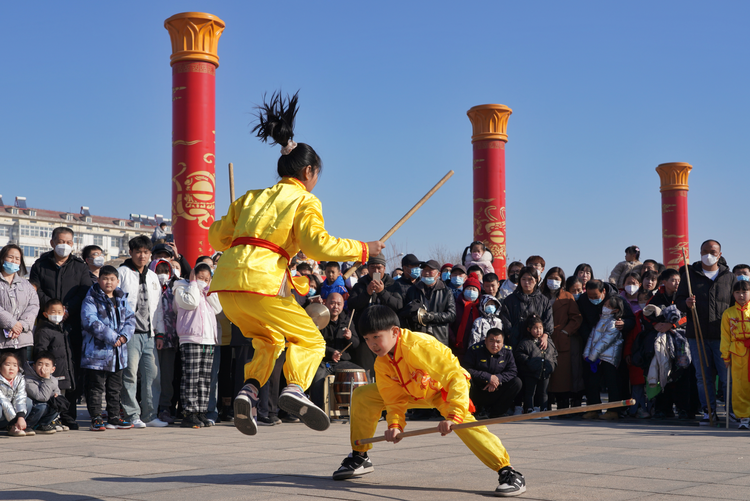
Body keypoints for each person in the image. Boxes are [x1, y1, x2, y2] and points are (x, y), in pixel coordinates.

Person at [208, 91, 384, 436]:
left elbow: (216, 237)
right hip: (261, 284)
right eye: (317, 174)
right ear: (308, 171)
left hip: (228, 287)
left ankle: (250, 389)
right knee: (311, 341)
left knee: (270, 340)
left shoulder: (250, 198)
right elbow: (317, 245)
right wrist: (364, 248)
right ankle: (295, 388)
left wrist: (238, 233)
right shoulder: (305, 200)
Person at [332, 306, 527, 497]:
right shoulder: (381, 362)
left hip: (444, 390)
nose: (372, 344)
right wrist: (395, 425)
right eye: (367, 339)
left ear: (394, 331)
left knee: (463, 423)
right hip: (413, 392)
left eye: (376, 337)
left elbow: (454, 377)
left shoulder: (417, 346)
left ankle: (508, 472)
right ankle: (360, 456)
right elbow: (393, 398)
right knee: (363, 395)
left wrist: (454, 416)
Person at [29, 227, 92, 430]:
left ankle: (68, 414)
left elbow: (84, 290)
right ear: (52, 242)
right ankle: (48, 415)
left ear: (73, 244)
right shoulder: (40, 265)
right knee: (45, 367)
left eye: (69, 242)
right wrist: (52, 308)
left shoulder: (80, 266)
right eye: (60, 241)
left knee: (72, 370)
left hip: (71, 324)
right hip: (47, 323)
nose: (64, 245)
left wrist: (67, 310)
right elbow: (35, 290)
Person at [676, 239, 736, 425]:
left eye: (712, 251)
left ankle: (732, 412)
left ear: (719, 254)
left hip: (723, 336)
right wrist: (685, 304)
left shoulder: (729, 277)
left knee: (727, 378)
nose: (707, 255)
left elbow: (735, 305)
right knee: (703, 377)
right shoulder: (689, 275)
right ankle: (708, 411)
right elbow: (678, 301)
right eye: (704, 251)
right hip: (697, 334)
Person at [118, 236, 168, 429]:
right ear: (131, 252)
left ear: (150, 255)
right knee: (129, 374)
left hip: (150, 334)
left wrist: (160, 332)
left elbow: (159, 309)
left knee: (153, 375)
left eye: (146, 252)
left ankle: (150, 414)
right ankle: (132, 414)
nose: (142, 255)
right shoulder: (121, 272)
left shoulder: (153, 276)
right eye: (138, 251)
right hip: (129, 333)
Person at [81, 265, 135, 431]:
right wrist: (113, 338)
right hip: (96, 353)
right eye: (105, 278)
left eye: (112, 279)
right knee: (96, 388)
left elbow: (131, 319)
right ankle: (96, 418)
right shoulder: (91, 297)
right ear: (99, 280)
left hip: (118, 353)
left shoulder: (122, 298)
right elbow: (90, 321)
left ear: (118, 281)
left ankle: (114, 417)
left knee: (114, 388)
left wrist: (124, 337)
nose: (108, 282)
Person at [174, 263, 223, 429]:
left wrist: (209, 288)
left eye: (207, 278)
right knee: (191, 378)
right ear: (193, 276)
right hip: (191, 338)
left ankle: (201, 411)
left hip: (209, 340)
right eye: (200, 277)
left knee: (204, 379)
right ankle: (189, 413)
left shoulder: (207, 292)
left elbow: (217, 307)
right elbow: (191, 303)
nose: (203, 281)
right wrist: (194, 284)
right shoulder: (181, 287)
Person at [347, 254, 400, 376]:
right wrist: (366, 293)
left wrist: (382, 293)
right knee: (367, 372)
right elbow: (351, 305)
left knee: (389, 373)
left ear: (384, 269)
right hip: (365, 337)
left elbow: (398, 305)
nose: (376, 271)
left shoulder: (393, 284)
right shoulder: (360, 284)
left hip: (387, 337)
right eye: (373, 267)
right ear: (368, 268)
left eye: (379, 268)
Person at [541, 267, 583, 411]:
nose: (553, 281)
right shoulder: (539, 295)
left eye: (557, 279)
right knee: (544, 374)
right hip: (541, 338)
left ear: (562, 281)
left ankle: (563, 407)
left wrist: (566, 331)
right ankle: (544, 406)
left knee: (562, 377)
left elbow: (576, 318)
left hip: (561, 339)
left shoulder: (567, 296)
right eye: (551, 278)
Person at [310, 293, 361, 408]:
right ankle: (318, 409)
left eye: (339, 304)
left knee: (361, 374)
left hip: (343, 362)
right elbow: (315, 343)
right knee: (317, 377)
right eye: (332, 303)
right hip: (324, 361)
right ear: (326, 303)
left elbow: (356, 344)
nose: (335, 307)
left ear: (343, 305)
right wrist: (331, 352)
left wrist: (350, 337)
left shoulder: (347, 320)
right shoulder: (318, 319)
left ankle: (353, 408)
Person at [582, 295, 626, 420]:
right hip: (596, 358)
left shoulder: (614, 323)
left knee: (612, 384)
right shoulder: (599, 321)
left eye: (608, 306)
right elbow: (591, 339)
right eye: (605, 305)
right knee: (592, 383)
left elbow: (605, 342)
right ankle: (594, 409)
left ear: (616, 310)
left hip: (609, 358)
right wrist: (586, 355)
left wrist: (592, 356)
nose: (605, 308)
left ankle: (613, 410)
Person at [463, 328, 521, 419]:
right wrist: (488, 377)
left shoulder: (507, 352)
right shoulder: (475, 350)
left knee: (517, 382)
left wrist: (497, 378)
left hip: (496, 389)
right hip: (477, 389)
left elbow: (512, 371)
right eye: (491, 341)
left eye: (498, 342)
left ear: (503, 342)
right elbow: (465, 369)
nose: (495, 345)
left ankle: (497, 412)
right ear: (485, 340)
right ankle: (474, 409)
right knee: (464, 380)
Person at [400, 259, 456, 346]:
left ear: (438, 274)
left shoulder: (446, 291)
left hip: (439, 337)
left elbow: (451, 315)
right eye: (424, 270)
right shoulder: (413, 290)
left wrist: (432, 316)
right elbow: (405, 312)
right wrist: (415, 316)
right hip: (418, 336)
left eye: (430, 270)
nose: (426, 273)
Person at [0, 244, 40, 367]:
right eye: (10, 257)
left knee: (19, 376)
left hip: (20, 340)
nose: (14, 261)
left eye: (17, 258)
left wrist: (21, 325)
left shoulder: (26, 285)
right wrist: (11, 323)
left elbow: (33, 305)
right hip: (1, 340)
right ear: (2, 258)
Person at [151, 258, 179, 424]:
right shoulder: (150, 286)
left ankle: (165, 407)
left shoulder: (175, 287)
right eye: (159, 271)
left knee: (167, 377)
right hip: (151, 337)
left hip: (170, 340)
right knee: (151, 376)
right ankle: (150, 408)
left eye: (166, 271)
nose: (163, 275)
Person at [499, 267, 553, 350]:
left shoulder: (544, 301)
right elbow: (505, 320)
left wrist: (545, 336)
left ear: (536, 280)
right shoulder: (510, 300)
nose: (526, 282)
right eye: (523, 279)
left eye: (530, 279)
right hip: (515, 343)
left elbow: (548, 321)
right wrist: (511, 336)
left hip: (538, 343)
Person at [721, 280, 750, 430]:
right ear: (733, 294)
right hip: (737, 352)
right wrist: (725, 356)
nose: (741, 295)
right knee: (739, 385)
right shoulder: (728, 313)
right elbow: (725, 336)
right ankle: (743, 417)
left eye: (744, 292)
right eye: (737, 292)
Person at [515, 315, 558, 414]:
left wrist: (553, 364)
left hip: (545, 371)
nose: (538, 331)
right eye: (535, 328)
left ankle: (544, 410)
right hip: (530, 372)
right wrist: (529, 362)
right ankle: (529, 408)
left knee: (544, 392)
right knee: (530, 392)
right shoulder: (525, 342)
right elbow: (519, 353)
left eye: (540, 328)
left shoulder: (548, 342)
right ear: (529, 329)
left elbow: (554, 353)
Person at [34, 299, 75, 398]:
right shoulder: (43, 332)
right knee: (55, 397)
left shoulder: (65, 330)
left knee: (66, 400)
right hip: (52, 372)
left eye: (59, 312)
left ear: (64, 312)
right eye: (53, 312)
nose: (57, 314)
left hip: (66, 370)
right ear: (45, 314)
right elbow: (41, 352)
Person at [23, 353, 62, 434]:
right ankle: (28, 425)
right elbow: (41, 397)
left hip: (44, 405)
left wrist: (56, 395)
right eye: (40, 365)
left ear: (53, 369)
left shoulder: (53, 380)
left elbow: (57, 392)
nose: (43, 368)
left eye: (47, 365)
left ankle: (42, 425)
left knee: (58, 404)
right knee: (41, 406)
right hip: (32, 407)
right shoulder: (27, 380)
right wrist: (46, 379)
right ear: (34, 366)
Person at [450, 275, 483, 358]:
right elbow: (448, 325)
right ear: (463, 291)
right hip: (457, 348)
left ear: (478, 293)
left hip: (477, 350)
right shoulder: (455, 306)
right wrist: (453, 340)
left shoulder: (481, 307)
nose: (471, 291)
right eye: (468, 289)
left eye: (474, 289)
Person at [0, 352, 32, 436]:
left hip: (10, 414)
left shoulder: (20, 379)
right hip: (4, 411)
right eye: (7, 365)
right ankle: (13, 424)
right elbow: (2, 399)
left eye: (15, 365)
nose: (11, 368)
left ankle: (13, 427)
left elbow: (20, 397)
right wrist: (15, 418)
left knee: (28, 402)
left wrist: (20, 417)